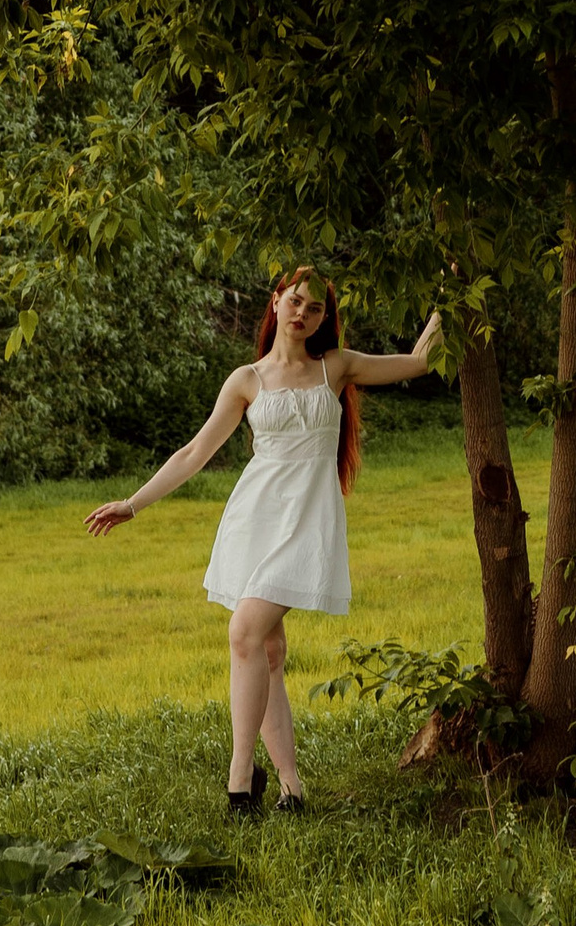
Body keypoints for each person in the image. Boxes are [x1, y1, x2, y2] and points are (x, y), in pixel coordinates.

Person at [85, 267, 441, 813]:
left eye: (315, 308)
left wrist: (450, 295)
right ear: (275, 303)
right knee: (268, 650)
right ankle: (291, 787)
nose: (302, 313)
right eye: (295, 301)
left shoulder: (337, 367)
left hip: (307, 525)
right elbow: (194, 453)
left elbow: (419, 361)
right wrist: (133, 503)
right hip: (255, 520)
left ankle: (240, 778)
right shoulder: (247, 379)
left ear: (323, 320)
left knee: (244, 631)